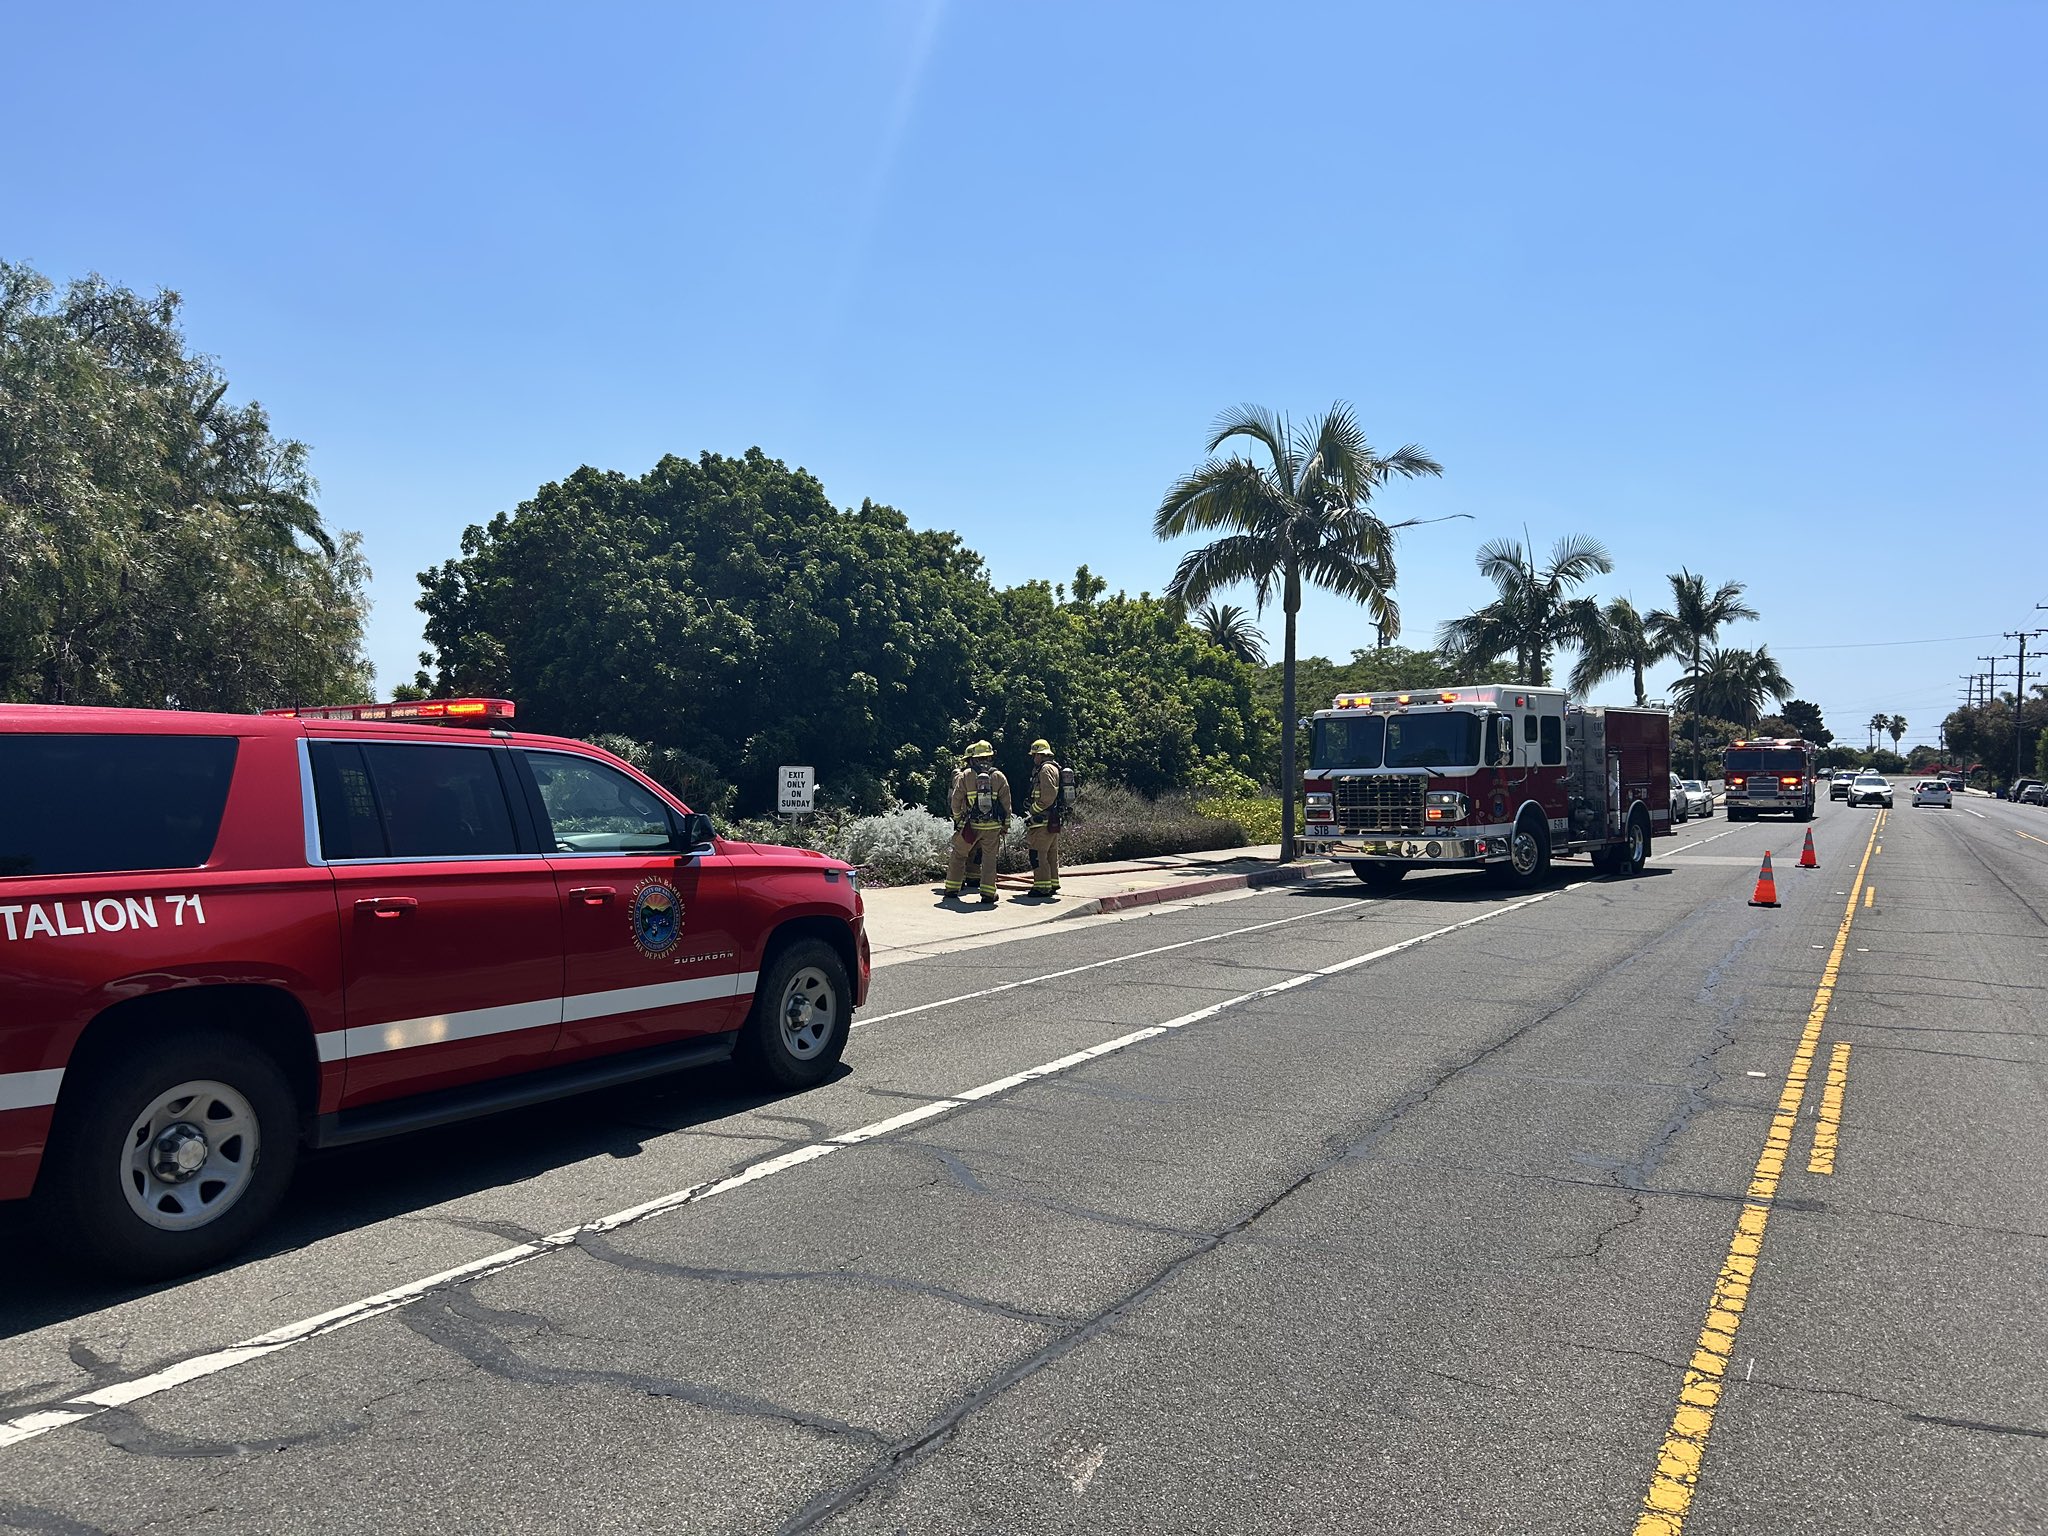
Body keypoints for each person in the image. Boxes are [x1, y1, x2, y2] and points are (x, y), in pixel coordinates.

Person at [945, 740, 1011, 905]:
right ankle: (988, 893)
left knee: (959, 854)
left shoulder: (966, 775)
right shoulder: (999, 776)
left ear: (974, 758)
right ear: (989, 757)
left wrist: (958, 819)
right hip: (993, 827)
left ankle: (952, 889)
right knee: (989, 859)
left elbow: (956, 800)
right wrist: (1005, 825)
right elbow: (1006, 805)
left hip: (971, 826)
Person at [1024, 738, 1066, 898]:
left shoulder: (1045, 769)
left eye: (1034, 755)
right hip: (1051, 819)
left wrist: (1033, 809)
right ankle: (1052, 883)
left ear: (1040, 755)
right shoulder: (1053, 767)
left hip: (1043, 819)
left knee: (1037, 853)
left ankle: (1042, 887)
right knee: (1050, 854)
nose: (1033, 758)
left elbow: (1048, 796)